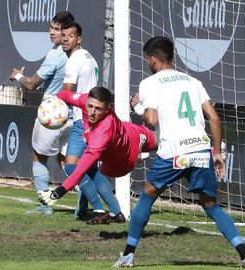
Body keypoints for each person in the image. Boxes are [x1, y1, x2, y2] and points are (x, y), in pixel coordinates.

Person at [113, 36, 245, 269]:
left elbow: (151, 119)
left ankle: (128, 255)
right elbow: (214, 117)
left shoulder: (150, 83)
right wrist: (217, 152)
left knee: (148, 195)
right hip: (201, 149)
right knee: (210, 205)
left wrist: (137, 106)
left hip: (174, 151)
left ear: (152, 59)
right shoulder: (193, 81)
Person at [39, 87, 155, 218]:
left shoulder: (102, 135)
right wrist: (54, 99)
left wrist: (58, 193)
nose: (92, 112)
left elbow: (80, 170)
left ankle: (136, 158)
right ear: (87, 101)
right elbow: (66, 95)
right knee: (89, 170)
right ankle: (112, 212)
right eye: (90, 106)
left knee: (99, 170)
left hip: (123, 162)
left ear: (107, 109)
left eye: (98, 109)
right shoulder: (84, 100)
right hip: (131, 131)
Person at [9, 11, 74, 216]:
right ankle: (85, 206)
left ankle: (45, 205)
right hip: (73, 115)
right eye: (51, 28)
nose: (52, 33)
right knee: (68, 163)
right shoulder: (80, 54)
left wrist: (17, 75)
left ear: (66, 32)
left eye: (57, 29)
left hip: (52, 114)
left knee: (39, 158)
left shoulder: (55, 55)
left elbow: (30, 85)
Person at [60, 22, 123, 224]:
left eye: (70, 36)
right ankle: (115, 211)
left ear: (79, 39)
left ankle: (97, 209)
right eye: (64, 35)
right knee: (91, 170)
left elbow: (67, 92)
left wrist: (52, 107)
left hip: (83, 120)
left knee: (71, 167)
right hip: (95, 123)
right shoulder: (90, 58)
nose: (65, 39)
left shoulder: (74, 60)